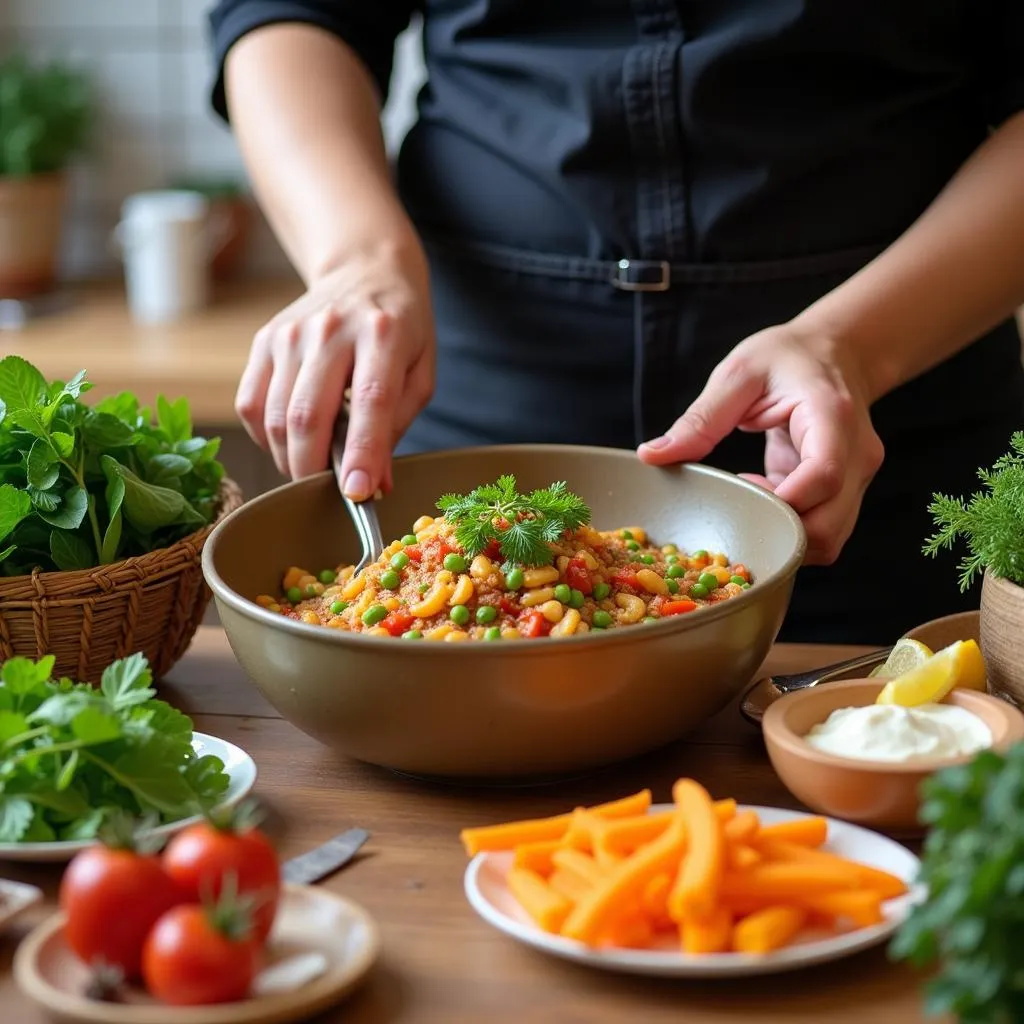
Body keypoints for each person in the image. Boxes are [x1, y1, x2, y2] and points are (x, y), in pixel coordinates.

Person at [207, 1, 1024, 644]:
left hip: (889, 412)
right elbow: (292, 13)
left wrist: (851, 346)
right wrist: (356, 256)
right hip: (477, 387)